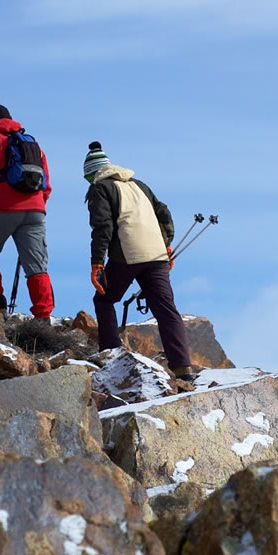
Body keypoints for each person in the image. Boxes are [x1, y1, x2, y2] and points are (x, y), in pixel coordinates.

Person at [83, 142, 196, 380]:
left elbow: (102, 227)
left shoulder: (100, 189)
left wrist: (97, 263)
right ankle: (182, 367)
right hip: (157, 256)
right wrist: (166, 245)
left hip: (128, 254)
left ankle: (111, 355)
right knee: (165, 308)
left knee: (104, 299)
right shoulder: (139, 185)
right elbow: (163, 213)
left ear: (92, 174)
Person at [0, 104, 54, 317]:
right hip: (35, 209)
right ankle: (43, 317)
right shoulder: (32, 143)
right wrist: (37, 205)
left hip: (1, 208)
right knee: (37, 266)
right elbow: (46, 183)